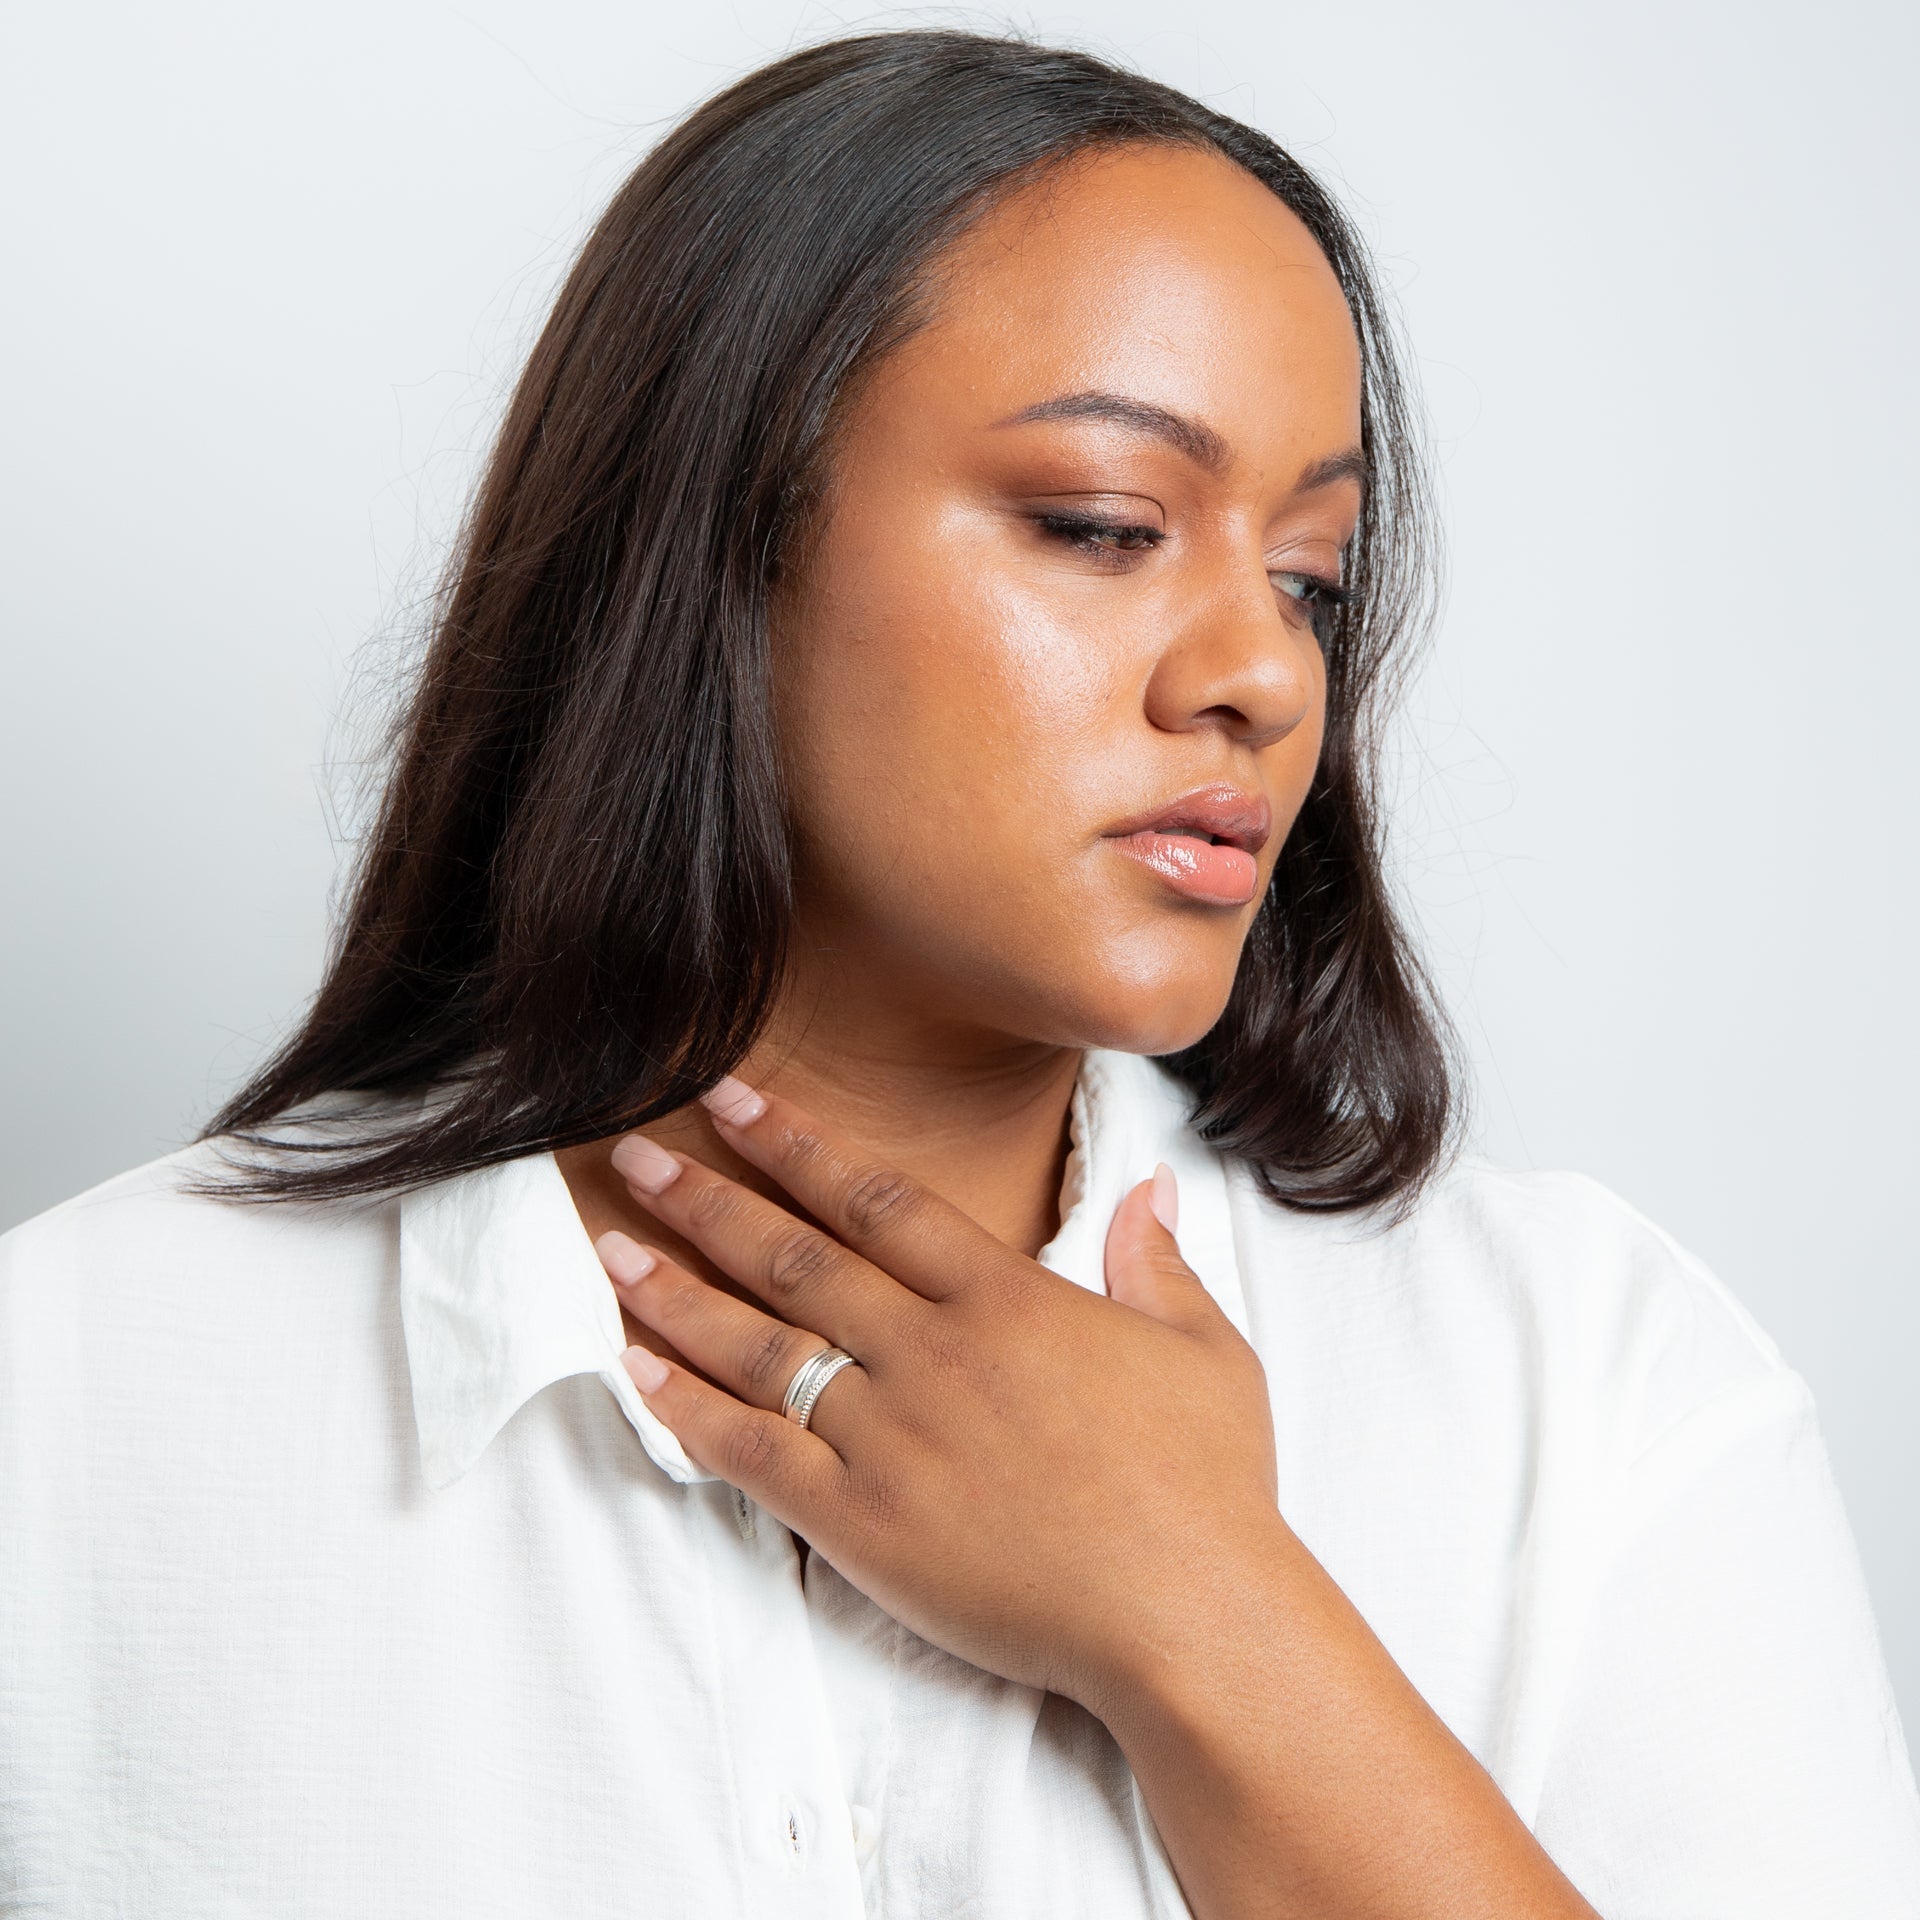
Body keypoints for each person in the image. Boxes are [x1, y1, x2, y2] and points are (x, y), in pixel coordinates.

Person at [2, 28, 1915, 1920]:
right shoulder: (74, 1408)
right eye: (1104, 527)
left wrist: (1207, 1618)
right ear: (714, 539)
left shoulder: (1583, 1393)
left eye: (1313, 579)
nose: (1261, 671)